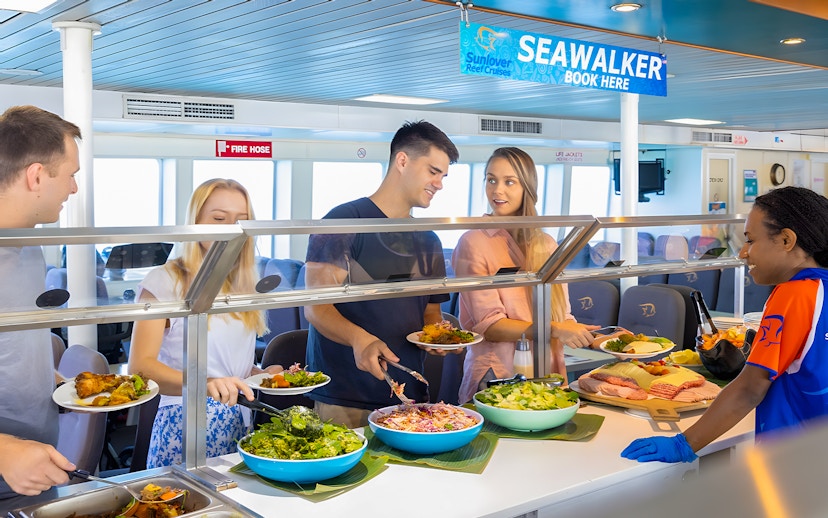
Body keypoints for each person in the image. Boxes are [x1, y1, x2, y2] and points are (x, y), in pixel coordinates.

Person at [621, 186, 828, 463]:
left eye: (751, 240)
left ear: (787, 240)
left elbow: (750, 388)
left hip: (798, 459)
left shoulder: (796, 294)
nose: (743, 253)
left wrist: (685, 444)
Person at [303, 120, 460, 428]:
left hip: (409, 396)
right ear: (402, 161)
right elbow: (317, 308)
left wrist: (437, 338)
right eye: (433, 171)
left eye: (443, 175)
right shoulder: (343, 222)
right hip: (347, 397)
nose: (439, 183)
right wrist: (361, 339)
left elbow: (430, 314)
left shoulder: (429, 239)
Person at [128, 178, 282, 468]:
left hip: (240, 419)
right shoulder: (164, 280)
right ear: (195, 222)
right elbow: (140, 367)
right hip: (185, 422)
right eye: (219, 218)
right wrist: (207, 383)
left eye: (241, 220)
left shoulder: (243, 283)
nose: (232, 229)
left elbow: (222, 362)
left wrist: (258, 374)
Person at [451, 147, 625, 403]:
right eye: (491, 180)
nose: (497, 190)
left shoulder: (545, 243)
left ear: (527, 188)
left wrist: (599, 341)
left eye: (509, 182)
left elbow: (562, 315)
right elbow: (491, 326)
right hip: (498, 372)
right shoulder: (473, 241)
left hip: (547, 368)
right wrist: (554, 330)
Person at [0, 106, 80, 508]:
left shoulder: (29, 245)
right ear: (36, 176)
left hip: (34, 466)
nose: (73, 189)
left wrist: (45, 374)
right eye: (70, 175)